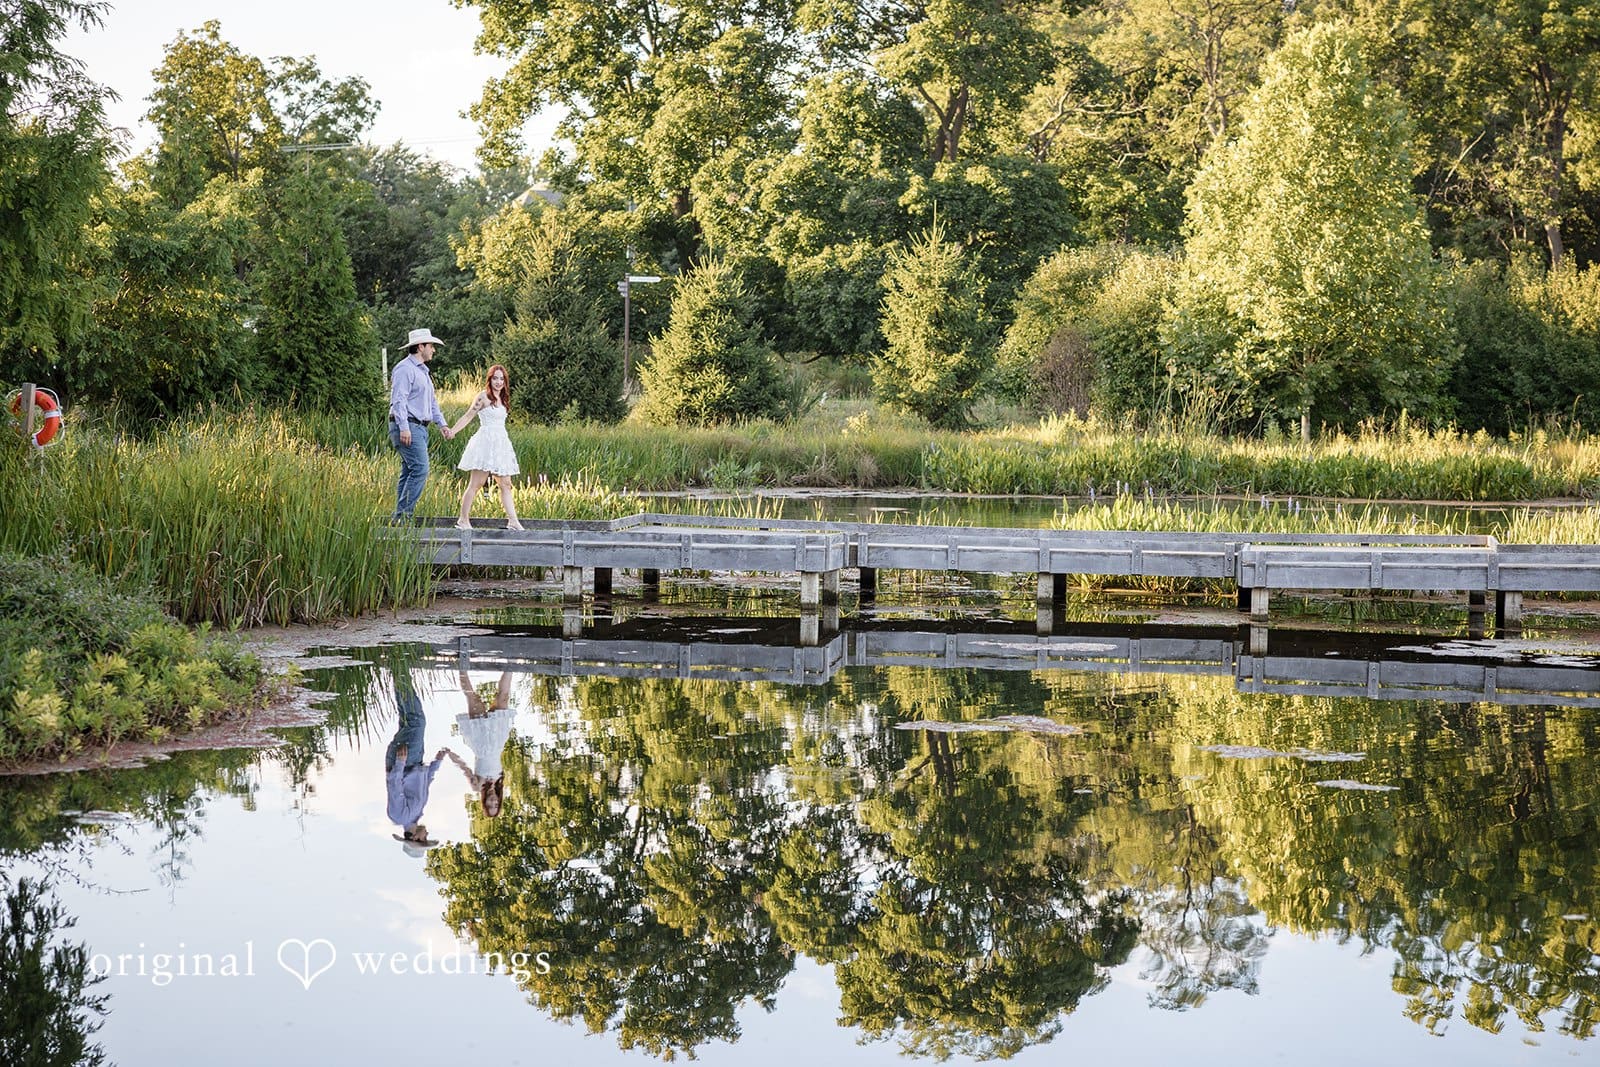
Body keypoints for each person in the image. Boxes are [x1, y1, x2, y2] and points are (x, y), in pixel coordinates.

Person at [388, 327, 455, 524]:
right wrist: (404, 427)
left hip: (420, 427)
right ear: (420, 347)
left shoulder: (423, 372)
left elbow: (432, 403)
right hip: (408, 425)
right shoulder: (405, 369)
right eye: (431, 346)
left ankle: (400, 518)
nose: (433, 349)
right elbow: (399, 400)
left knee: (409, 471)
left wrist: (442, 424)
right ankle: (403, 517)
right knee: (420, 469)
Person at [449, 363, 523, 531]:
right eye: (495, 378)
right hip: (485, 442)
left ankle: (513, 521)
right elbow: (468, 416)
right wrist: (453, 431)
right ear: (490, 379)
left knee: (506, 484)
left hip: (500, 443)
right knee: (476, 484)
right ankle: (463, 520)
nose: (498, 382)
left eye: (501, 379)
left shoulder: (503, 398)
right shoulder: (483, 397)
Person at [386, 671, 452, 856]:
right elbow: (424, 782)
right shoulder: (417, 813)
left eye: (425, 838)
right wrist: (437, 762)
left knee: (417, 721)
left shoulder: (399, 816)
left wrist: (400, 763)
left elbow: (394, 787)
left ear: (415, 838)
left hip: (405, 762)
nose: (427, 834)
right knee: (407, 719)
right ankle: (398, 671)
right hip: (415, 760)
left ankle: (401, 671)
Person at [446, 669, 515, 818]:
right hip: (497, 739)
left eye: (490, 805)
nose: (493, 802)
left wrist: (450, 754)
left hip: (480, 740)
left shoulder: (477, 786)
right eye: (496, 805)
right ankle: (511, 666)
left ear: (484, 803)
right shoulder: (500, 782)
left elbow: (464, 768)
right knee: (503, 698)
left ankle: (462, 666)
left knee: (472, 697)